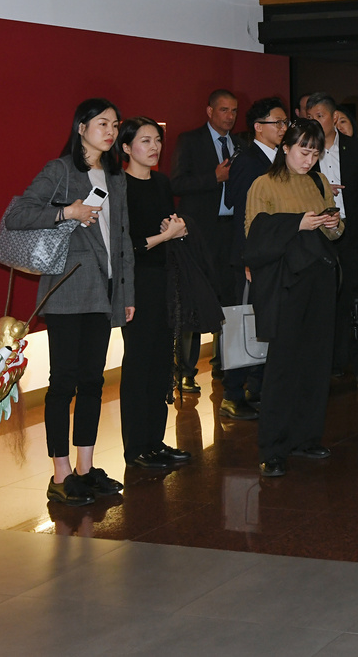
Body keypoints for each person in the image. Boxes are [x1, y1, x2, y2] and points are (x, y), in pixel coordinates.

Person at [4, 98, 135, 505]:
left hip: (104, 289)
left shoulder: (116, 177)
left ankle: (85, 468)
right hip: (67, 288)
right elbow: (18, 215)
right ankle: (60, 474)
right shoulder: (60, 170)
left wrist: (126, 292)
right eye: (102, 123)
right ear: (81, 127)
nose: (110, 131)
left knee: (93, 381)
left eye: (115, 124)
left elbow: (122, 238)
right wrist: (67, 212)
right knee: (63, 381)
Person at [244, 119, 342, 478]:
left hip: (319, 277)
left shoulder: (318, 182)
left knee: (316, 360)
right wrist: (296, 224)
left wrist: (332, 224)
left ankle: (306, 437)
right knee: (283, 364)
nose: (308, 160)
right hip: (285, 280)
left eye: (315, 154)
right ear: (285, 148)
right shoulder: (264, 184)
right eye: (303, 151)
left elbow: (337, 230)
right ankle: (273, 447)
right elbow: (254, 235)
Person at [117, 117, 192, 469]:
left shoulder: (161, 182)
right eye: (145, 140)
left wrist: (177, 228)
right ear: (126, 147)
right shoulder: (119, 185)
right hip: (135, 283)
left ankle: (155, 441)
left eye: (158, 140)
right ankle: (136, 448)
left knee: (162, 361)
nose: (154, 147)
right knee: (139, 363)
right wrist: (165, 235)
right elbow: (125, 246)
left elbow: (167, 227)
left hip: (164, 279)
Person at [304, 93, 358, 394]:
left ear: (334, 118)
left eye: (319, 116)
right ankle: (330, 364)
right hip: (318, 236)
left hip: (352, 236)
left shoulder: (357, 150)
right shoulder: (303, 152)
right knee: (323, 303)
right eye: (309, 117)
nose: (314, 122)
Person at [220, 96, 289, 420]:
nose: (284, 128)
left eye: (286, 122)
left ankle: (257, 389)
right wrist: (248, 257)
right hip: (251, 257)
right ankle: (232, 394)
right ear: (259, 127)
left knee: (266, 323)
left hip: (273, 255)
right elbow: (243, 213)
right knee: (242, 323)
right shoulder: (248, 161)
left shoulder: (282, 159)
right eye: (278, 122)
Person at [170, 89, 242, 391]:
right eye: (224, 110)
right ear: (210, 111)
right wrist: (213, 178)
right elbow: (176, 183)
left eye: (234, 110)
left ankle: (224, 365)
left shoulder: (241, 144)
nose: (230, 116)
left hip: (231, 231)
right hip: (199, 233)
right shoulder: (190, 141)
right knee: (194, 299)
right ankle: (185, 371)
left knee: (229, 297)